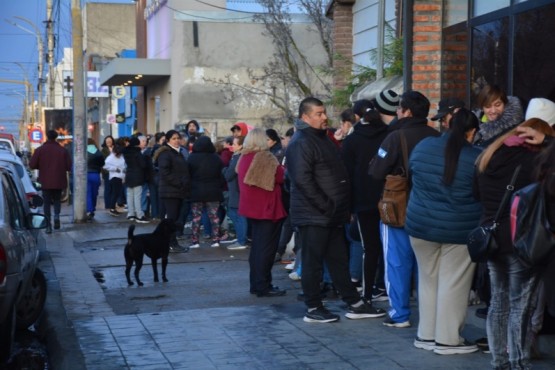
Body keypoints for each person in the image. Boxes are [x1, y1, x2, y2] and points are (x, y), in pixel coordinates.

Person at [286, 97, 386, 322]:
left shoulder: (321, 138)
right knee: (313, 262)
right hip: (315, 214)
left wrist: (339, 207)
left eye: (324, 113)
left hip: (331, 213)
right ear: (305, 117)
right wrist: (327, 205)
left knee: (338, 259)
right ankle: (313, 307)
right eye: (318, 114)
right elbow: (303, 180)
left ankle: (354, 302)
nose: (324, 117)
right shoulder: (301, 142)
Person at [474, 118, 555, 369]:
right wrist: (550, 143)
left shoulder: (489, 155)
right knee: (521, 306)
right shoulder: (537, 160)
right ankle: (518, 363)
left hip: (493, 238)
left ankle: (500, 361)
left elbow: (475, 194)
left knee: (498, 302)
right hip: (523, 241)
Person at [405, 108, 482, 354]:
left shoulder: (424, 146)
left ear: (448, 125)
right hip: (458, 229)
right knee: (453, 284)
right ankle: (448, 340)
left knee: (428, 281)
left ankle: (426, 335)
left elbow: (412, 175)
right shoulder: (476, 158)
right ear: (472, 132)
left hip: (420, 226)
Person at [368, 90, 440, 328]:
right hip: (430, 208)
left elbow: (376, 172)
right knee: (427, 264)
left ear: (406, 112)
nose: (397, 112)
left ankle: (399, 314)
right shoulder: (436, 136)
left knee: (397, 261)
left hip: (399, 207)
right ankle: (430, 315)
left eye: (399, 108)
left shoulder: (395, 137)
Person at [341, 100, 389, 302]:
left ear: (357, 117)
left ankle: (367, 293)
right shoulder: (388, 134)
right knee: (390, 248)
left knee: (369, 248)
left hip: (362, 200)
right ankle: (386, 287)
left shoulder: (352, 141)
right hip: (388, 197)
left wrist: (349, 206)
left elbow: (347, 174)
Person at [236, 128, 287, 297]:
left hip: (252, 209)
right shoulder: (264, 157)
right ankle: (263, 285)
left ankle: (256, 284)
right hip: (268, 209)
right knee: (267, 249)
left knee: (257, 248)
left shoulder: (243, 157)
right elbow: (280, 177)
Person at [154, 130, 191, 252]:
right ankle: (171, 243)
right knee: (171, 219)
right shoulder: (166, 153)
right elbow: (164, 172)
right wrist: (179, 183)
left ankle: (169, 242)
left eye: (178, 138)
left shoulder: (177, 152)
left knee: (173, 218)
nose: (177, 141)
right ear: (168, 140)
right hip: (170, 191)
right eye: (174, 138)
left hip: (177, 191)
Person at [29, 130, 71, 233]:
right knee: (57, 200)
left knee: (46, 202)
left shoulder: (40, 150)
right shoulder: (62, 150)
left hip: (45, 180)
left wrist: (42, 166)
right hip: (59, 180)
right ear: (56, 137)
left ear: (47, 136)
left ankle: (48, 225)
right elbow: (68, 166)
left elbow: (32, 165)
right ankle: (56, 216)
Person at [187, 136, 224, 249]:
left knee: (196, 217)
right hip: (213, 191)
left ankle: (195, 241)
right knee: (214, 217)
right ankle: (216, 240)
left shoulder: (191, 158)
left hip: (196, 191)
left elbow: (187, 175)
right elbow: (220, 175)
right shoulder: (216, 158)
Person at [223, 136, 248, 250]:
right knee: (235, 214)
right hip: (236, 190)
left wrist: (224, 170)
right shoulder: (238, 156)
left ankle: (241, 240)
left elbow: (229, 175)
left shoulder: (238, 157)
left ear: (241, 145)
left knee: (237, 215)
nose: (232, 146)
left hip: (236, 191)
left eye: (234, 144)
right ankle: (241, 237)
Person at [123, 137, 149, 223]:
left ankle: (131, 214)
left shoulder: (126, 152)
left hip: (129, 175)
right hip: (137, 176)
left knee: (129, 195)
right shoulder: (138, 152)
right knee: (137, 196)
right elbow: (143, 165)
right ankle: (139, 215)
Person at [103, 144, 126, 216]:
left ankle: (113, 207)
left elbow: (123, 165)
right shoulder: (110, 158)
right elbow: (105, 166)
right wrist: (115, 169)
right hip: (114, 177)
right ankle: (112, 208)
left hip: (120, 177)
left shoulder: (121, 157)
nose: (118, 155)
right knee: (115, 193)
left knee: (116, 193)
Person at [86, 138, 105, 221]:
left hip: (86, 175)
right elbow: (102, 163)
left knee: (88, 193)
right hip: (96, 174)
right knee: (94, 193)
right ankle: (92, 209)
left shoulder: (83, 152)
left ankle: (89, 210)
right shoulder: (98, 152)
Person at [100, 135, 115, 210]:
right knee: (108, 188)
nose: (109, 142)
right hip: (107, 172)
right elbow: (103, 162)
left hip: (115, 172)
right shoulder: (103, 150)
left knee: (114, 189)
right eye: (107, 141)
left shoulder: (115, 149)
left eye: (110, 140)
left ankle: (113, 204)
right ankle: (108, 205)